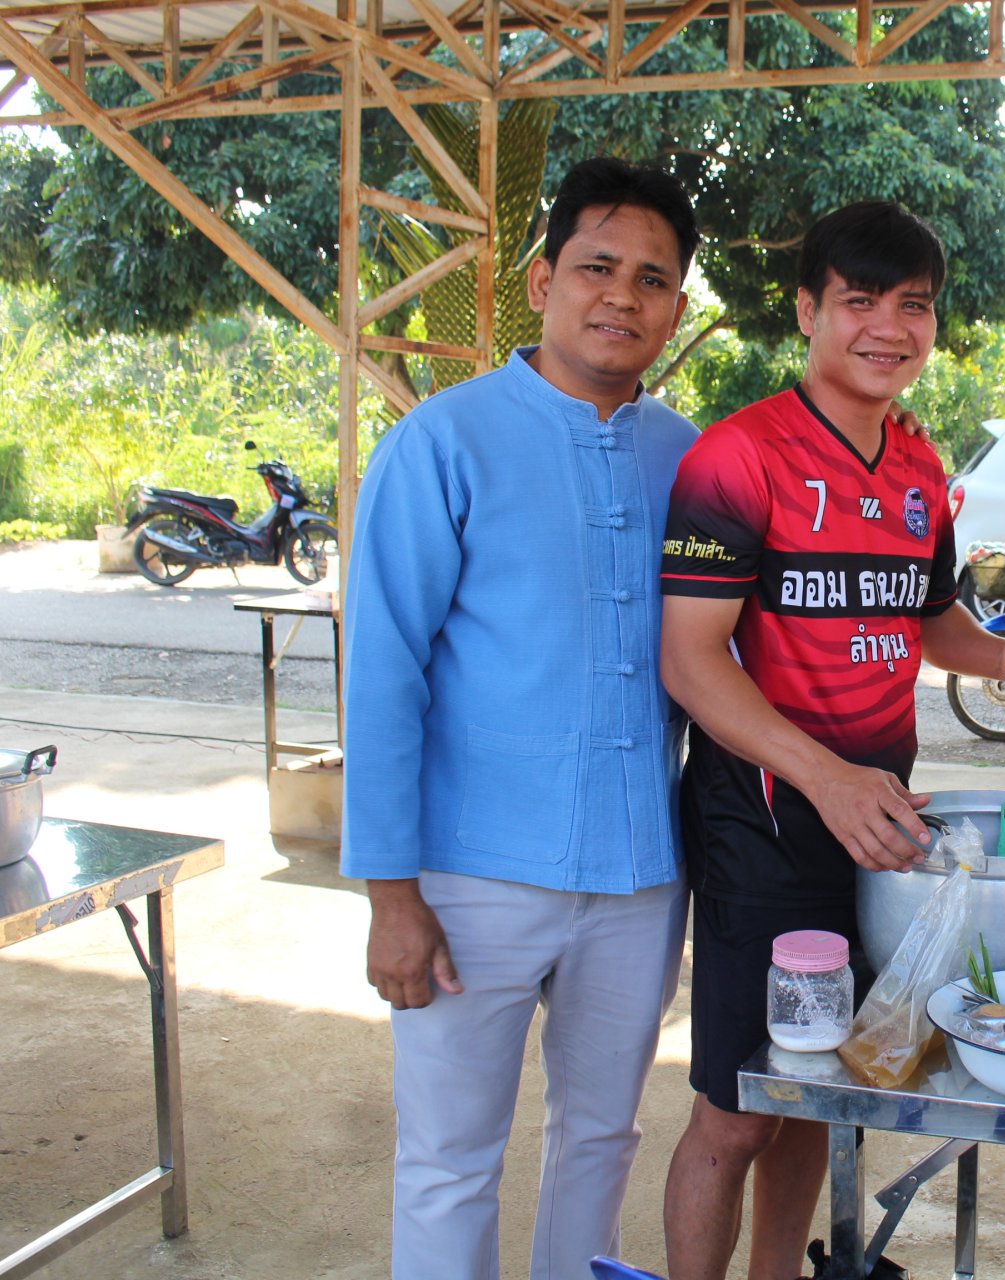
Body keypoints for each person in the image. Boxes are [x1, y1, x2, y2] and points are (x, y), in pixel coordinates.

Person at [655, 201, 1005, 1280]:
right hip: (764, 826)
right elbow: (691, 660)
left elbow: (929, 622)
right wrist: (828, 778)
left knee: (825, 1092)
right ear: (808, 310)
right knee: (738, 1109)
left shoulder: (921, 467)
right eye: (860, 301)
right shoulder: (736, 456)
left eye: (915, 306)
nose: (889, 328)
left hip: (878, 830)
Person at [341, 158, 701, 1280]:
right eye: (597, 266)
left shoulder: (689, 457)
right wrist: (391, 896)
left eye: (651, 279)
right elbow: (383, 676)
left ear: (675, 309)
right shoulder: (442, 441)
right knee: (450, 1159)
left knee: (602, 1137)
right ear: (544, 280)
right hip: (468, 881)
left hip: (639, 879)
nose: (621, 296)